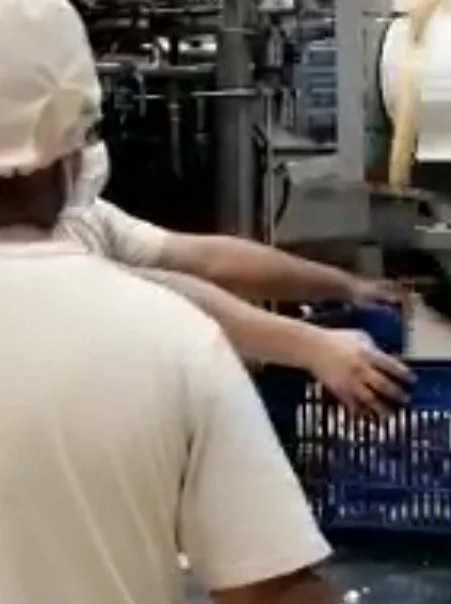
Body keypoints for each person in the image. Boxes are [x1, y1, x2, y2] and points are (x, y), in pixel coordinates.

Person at [0, 0, 406, 604]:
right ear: (73, 136)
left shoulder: (134, 287)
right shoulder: (168, 346)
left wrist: (326, 307)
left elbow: (197, 264)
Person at [60, 141, 411, 416]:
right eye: (79, 133)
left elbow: (213, 260)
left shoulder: (81, 212)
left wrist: (347, 286)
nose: (90, 147)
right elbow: (152, 293)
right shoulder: (22, 245)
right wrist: (311, 347)